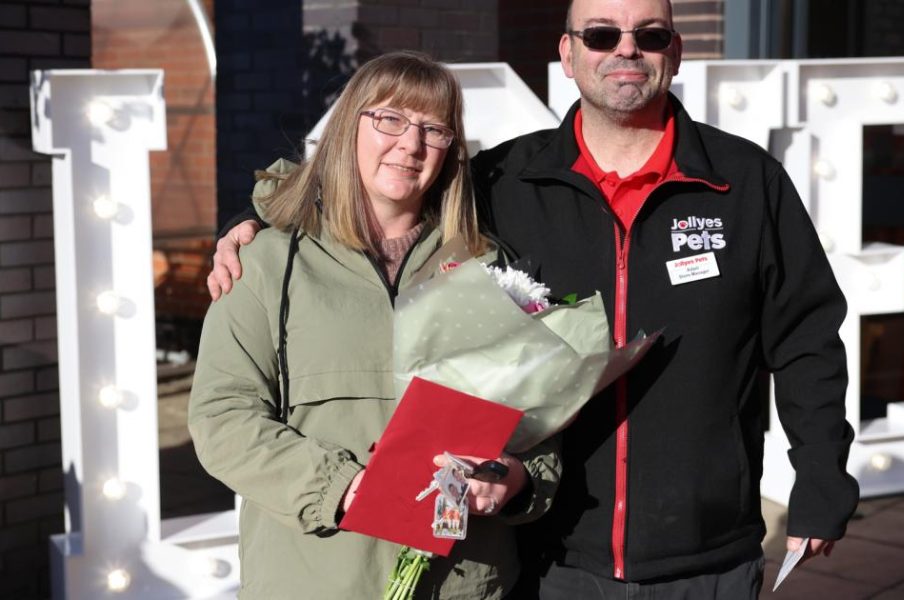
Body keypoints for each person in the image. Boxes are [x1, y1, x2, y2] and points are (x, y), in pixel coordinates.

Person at [209, 1, 859, 597]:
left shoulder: (744, 182)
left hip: (706, 549)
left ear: (676, 52)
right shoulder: (503, 183)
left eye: (649, 35)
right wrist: (261, 218)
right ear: (569, 54)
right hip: (555, 556)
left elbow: (805, 337)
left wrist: (823, 476)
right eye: (602, 34)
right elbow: (380, 187)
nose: (625, 50)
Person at [189, 51, 559, 600]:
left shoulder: (487, 268)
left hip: (461, 581)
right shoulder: (265, 262)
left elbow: (543, 421)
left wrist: (518, 477)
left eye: (433, 129)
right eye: (390, 119)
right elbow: (223, 418)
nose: (410, 145)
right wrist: (341, 486)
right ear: (348, 125)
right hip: (314, 578)